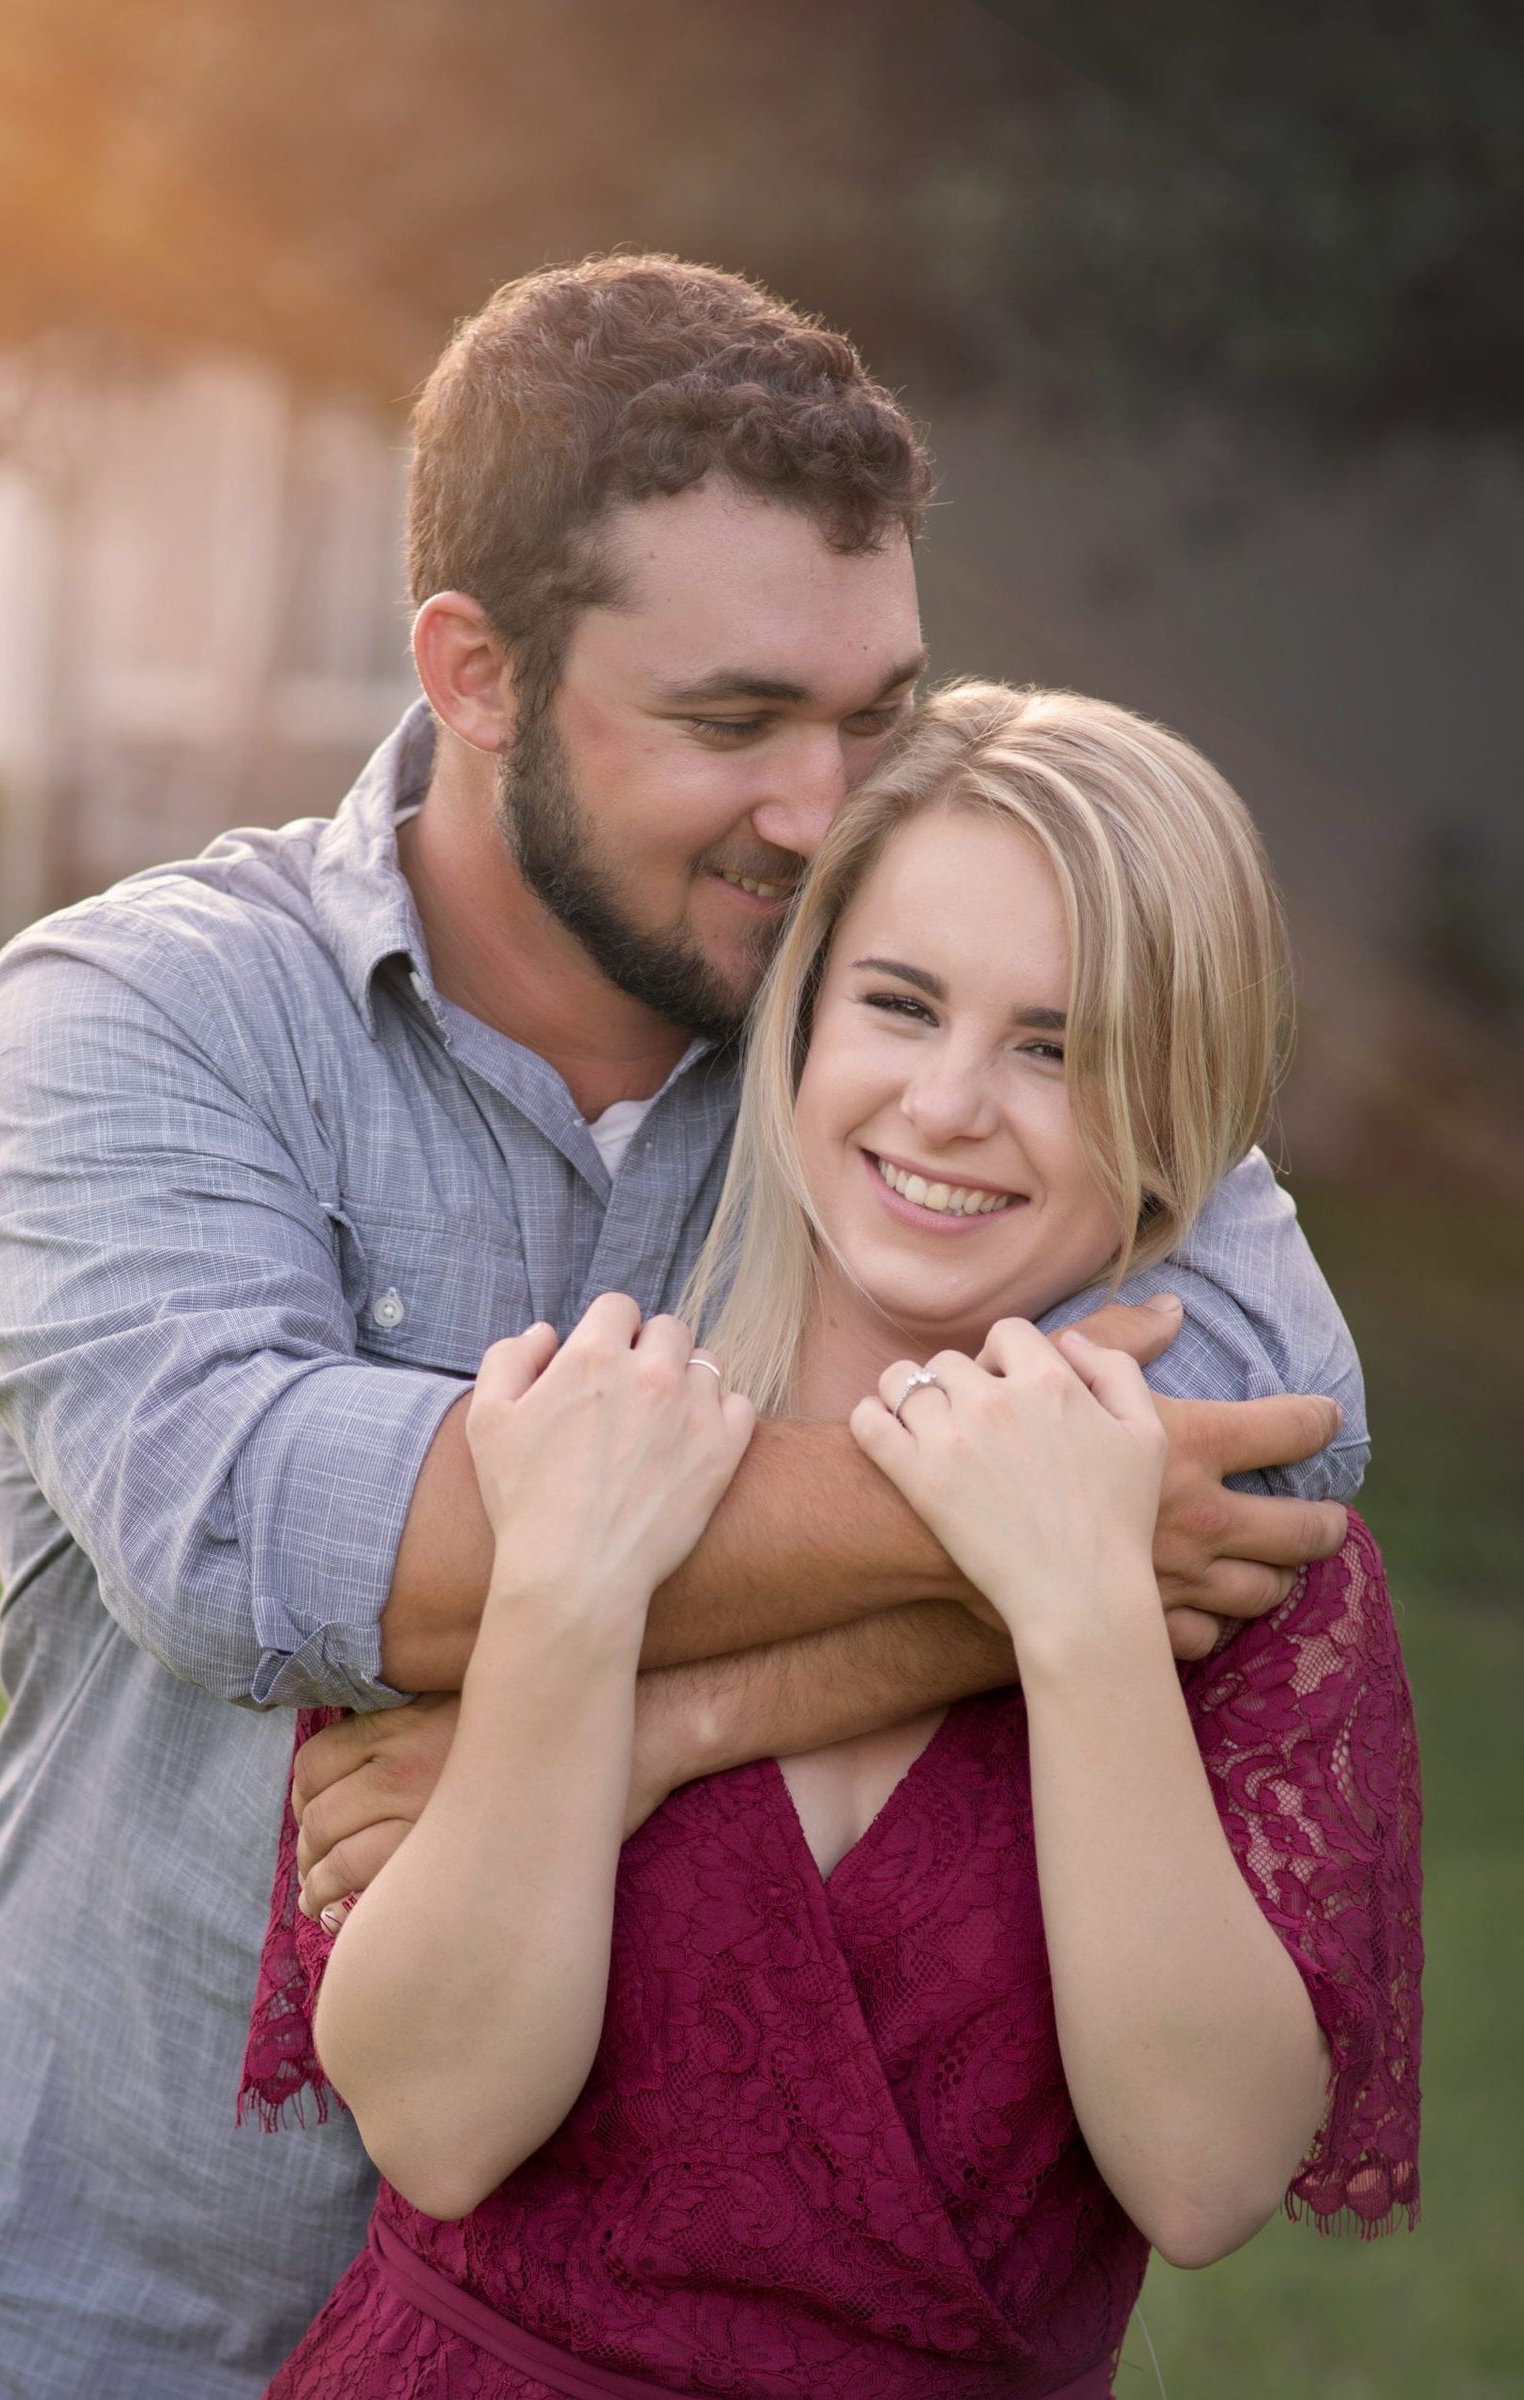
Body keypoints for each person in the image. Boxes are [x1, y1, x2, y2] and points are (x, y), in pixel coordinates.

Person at [0, 258, 1364, 2400]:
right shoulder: (145, 1010)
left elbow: (1277, 1417)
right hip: (137, 2328)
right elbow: (250, 1540)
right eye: (735, 722)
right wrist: (1025, 1545)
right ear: (472, 671)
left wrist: (648, 1724)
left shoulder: (890, 1011)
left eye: (877, 714)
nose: (827, 807)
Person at [248, 684, 1420, 2399]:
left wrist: (1085, 1601)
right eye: (901, 1002)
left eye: (1056, 1047)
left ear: (1174, 1110)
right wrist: (574, 1598)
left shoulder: (1238, 1573)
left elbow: (1202, 2172)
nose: (949, 1106)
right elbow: (435, 2124)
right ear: (799, 1018)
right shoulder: (568, 1432)